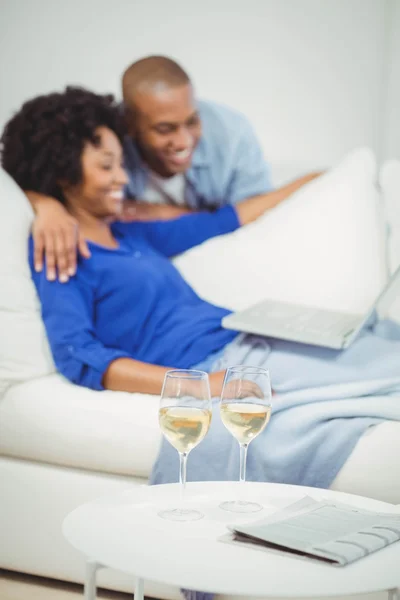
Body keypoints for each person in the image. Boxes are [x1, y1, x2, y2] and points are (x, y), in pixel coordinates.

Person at [2, 88, 400, 494]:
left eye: (122, 163)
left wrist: (318, 180)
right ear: (63, 175)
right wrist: (196, 384)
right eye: (107, 167)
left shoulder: (131, 233)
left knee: (381, 353)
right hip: (216, 360)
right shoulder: (61, 253)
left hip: (248, 337)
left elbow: (226, 220)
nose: (123, 178)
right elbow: (77, 356)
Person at [23, 55, 320, 283]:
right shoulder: (107, 142)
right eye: (165, 129)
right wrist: (48, 206)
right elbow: (40, 173)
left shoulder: (231, 134)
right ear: (129, 125)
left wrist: (156, 212)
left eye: (192, 121)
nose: (183, 140)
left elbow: (248, 221)